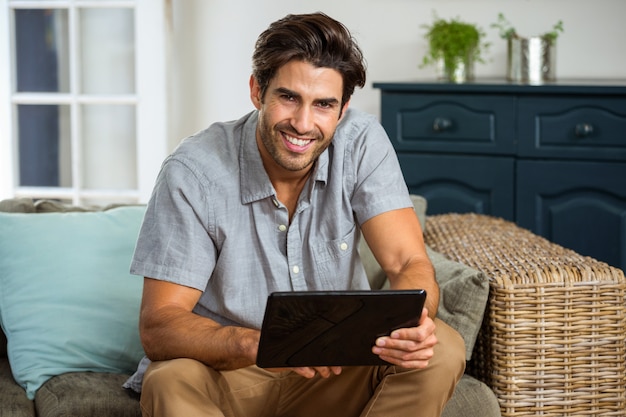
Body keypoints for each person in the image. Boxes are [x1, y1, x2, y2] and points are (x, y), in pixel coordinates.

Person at [125, 12, 465, 417]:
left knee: (442, 346)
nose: (304, 124)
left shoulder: (361, 143)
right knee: (167, 380)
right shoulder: (194, 171)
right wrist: (258, 343)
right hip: (232, 375)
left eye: (324, 105)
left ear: (343, 109)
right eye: (289, 98)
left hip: (336, 370)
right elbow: (160, 324)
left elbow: (408, 262)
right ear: (257, 91)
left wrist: (415, 323)